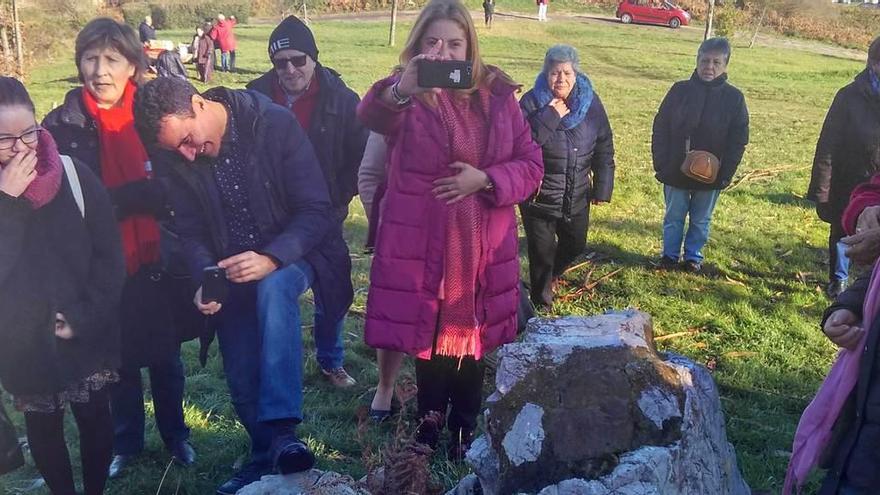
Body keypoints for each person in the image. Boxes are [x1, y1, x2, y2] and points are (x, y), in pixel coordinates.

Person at [133, 76, 354, 495]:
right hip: (229, 267)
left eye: (187, 140)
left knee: (273, 289)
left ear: (199, 104)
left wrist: (271, 257)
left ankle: (284, 431)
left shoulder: (273, 124)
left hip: (298, 253)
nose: (186, 153)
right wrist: (205, 279)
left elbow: (316, 209)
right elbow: (189, 232)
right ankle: (265, 456)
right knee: (238, 362)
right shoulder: (173, 155)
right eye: (174, 149)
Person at [357, 0, 543, 457]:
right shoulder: (406, 95)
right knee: (430, 334)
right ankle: (427, 427)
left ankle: (462, 432)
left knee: (472, 337)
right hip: (426, 240)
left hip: (481, 242)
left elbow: (531, 164)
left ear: (470, 48)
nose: (442, 53)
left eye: (454, 44)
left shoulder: (498, 95)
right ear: (418, 44)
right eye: (432, 42)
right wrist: (404, 88)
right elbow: (372, 115)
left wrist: (485, 179)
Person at [41, 18, 196, 478]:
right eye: (90, 58)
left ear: (133, 64)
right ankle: (125, 441)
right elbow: (57, 200)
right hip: (99, 266)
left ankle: (177, 436)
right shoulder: (63, 124)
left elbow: (183, 178)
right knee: (117, 361)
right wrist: (123, 200)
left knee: (167, 358)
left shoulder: (154, 115)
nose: (100, 70)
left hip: (159, 258)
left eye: (112, 59)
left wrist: (153, 196)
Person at [0, 77, 125, 495]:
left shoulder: (74, 175)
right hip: (22, 342)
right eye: (5, 139)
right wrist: (9, 204)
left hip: (83, 327)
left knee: (95, 421)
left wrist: (83, 318)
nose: (21, 149)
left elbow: (110, 259)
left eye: (28, 134)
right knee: (44, 428)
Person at [246, 15, 368, 388]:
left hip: (325, 215)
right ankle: (277, 365)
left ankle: (331, 361)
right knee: (275, 286)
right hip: (271, 216)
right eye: (281, 62)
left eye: (299, 60)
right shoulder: (255, 96)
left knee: (331, 285)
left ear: (314, 58)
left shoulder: (343, 100)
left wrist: (337, 196)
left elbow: (360, 157)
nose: (290, 69)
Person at [519, 44, 615, 309]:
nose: (560, 79)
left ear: (576, 74)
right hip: (538, 195)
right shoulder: (530, 103)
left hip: (577, 192)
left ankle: (552, 275)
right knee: (541, 252)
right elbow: (520, 144)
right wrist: (550, 116)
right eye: (554, 73)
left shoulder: (591, 102)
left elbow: (604, 144)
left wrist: (603, 187)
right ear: (545, 73)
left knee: (575, 243)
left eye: (567, 73)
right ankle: (541, 303)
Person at [651, 37, 749, 273]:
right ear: (696, 61)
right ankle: (669, 256)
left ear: (726, 65)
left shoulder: (734, 98)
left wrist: (725, 174)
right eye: (705, 61)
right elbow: (660, 126)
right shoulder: (679, 90)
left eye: (716, 62)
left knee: (701, 219)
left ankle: (693, 257)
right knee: (674, 216)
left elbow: (738, 140)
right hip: (675, 167)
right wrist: (661, 163)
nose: (709, 67)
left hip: (712, 173)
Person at [807, 36, 880, 298]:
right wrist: (821, 189)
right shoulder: (848, 97)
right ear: (873, 64)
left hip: (878, 184)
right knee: (840, 229)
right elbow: (828, 144)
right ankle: (838, 278)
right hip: (847, 179)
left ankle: (868, 284)